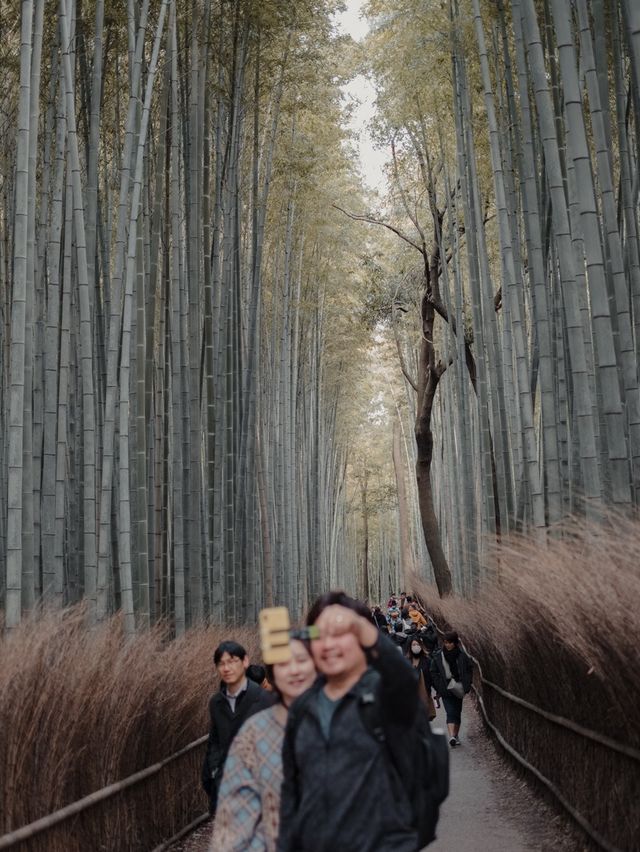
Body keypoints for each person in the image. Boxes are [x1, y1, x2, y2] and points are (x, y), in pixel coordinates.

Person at [277, 591, 420, 852]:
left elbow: (406, 682)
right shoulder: (302, 707)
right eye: (319, 635)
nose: (329, 644)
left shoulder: (381, 694)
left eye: (340, 634)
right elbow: (291, 793)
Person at [210, 639, 317, 852]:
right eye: (284, 665)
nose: (293, 671)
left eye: (301, 661)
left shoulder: (339, 719)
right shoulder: (256, 727)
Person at [201, 640, 274, 814]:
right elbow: (215, 742)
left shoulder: (265, 699)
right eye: (221, 663)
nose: (227, 668)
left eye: (232, 661)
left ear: (245, 662)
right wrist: (213, 774)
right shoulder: (216, 703)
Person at [430, 630, 473, 747]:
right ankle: (452, 736)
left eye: (450, 642)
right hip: (445, 688)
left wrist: (467, 684)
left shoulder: (462, 656)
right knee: (450, 712)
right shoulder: (439, 656)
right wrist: (439, 685)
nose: (447, 645)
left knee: (457, 712)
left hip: (458, 687)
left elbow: (469, 670)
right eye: (445, 642)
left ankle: (456, 735)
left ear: (455, 643)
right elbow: (433, 672)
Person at [406, 637, 437, 721]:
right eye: (413, 645)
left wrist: (438, 691)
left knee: (424, 718)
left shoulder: (427, 660)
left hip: (425, 693)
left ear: (421, 646)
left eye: (417, 644)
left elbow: (432, 677)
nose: (416, 646)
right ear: (410, 647)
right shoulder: (406, 661)